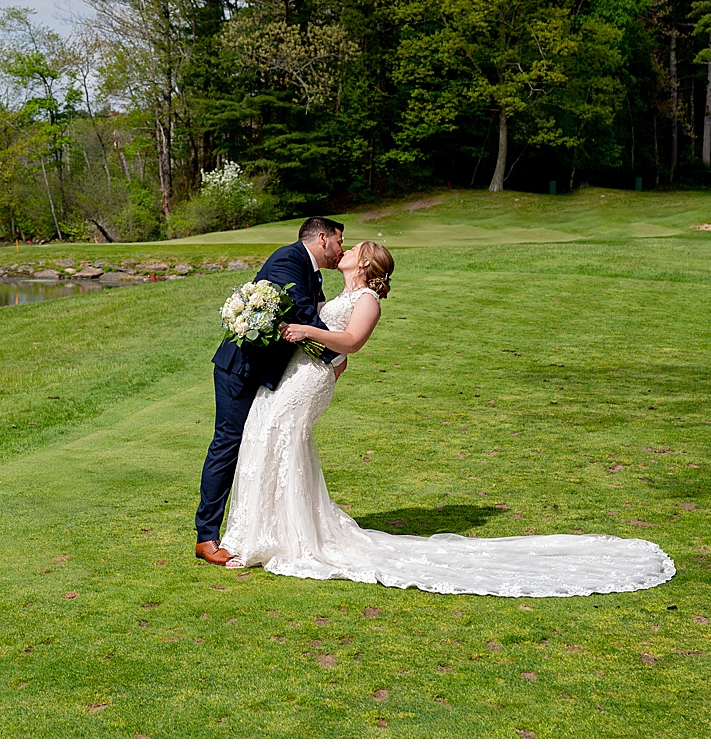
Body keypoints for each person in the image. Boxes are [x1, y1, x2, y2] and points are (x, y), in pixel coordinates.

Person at [217, 240, 676, 597]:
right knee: (266, 434)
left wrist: (308, 333)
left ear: (366, 263)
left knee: (281, 439)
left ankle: (282, 538)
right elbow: (338, 348)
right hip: (302, 375)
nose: (345, 249)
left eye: (353, 249)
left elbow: (352, 342)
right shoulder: (342, 292)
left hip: (307, 383)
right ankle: (261, 530)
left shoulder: (368, 302)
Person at [194, 216, 344, 567]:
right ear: (322, 238)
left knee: (254, 444)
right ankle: (205, 537)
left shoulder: (311, 271)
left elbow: (309, 318)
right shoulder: (287, 260)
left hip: (264, 372)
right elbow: (305, 315)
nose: (341, 249)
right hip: (240, 369)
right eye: (339, 240)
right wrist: (337, 355)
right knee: (227, 444)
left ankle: (259, 527)